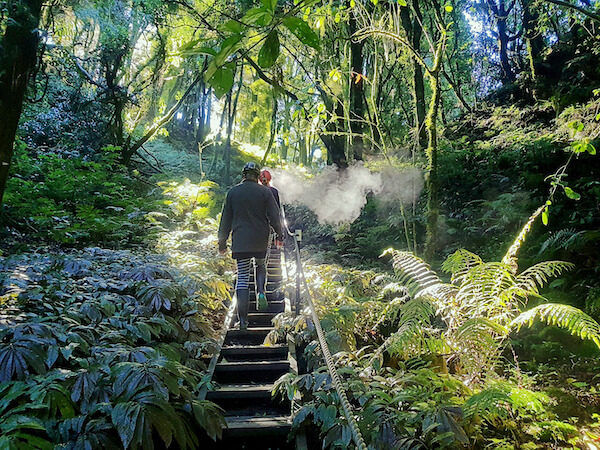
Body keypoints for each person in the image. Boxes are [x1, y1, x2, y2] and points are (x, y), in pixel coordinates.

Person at [218, 162, 282, 330]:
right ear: (257, 175)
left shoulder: (233, 192)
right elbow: (275, 216)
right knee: (260, 264)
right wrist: (280, 235)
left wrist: (222, 242)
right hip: (261, 238)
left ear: (243, 175)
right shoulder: (265, 192)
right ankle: (261, 290)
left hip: (240, 241)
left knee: (242, 278)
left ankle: (243, 321)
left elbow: (226, 219)